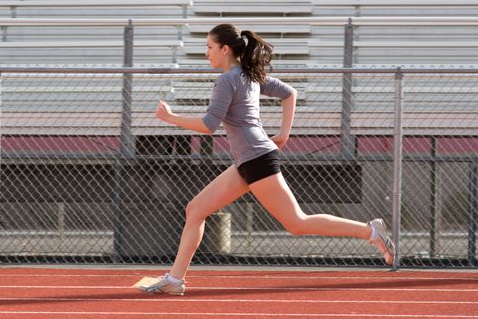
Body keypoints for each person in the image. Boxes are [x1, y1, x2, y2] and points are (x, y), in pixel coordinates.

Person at [139, 24, 395, 296]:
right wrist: (284, 134)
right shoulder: (248, 75)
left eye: (209, 47)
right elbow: (290, 93)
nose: (206, 54)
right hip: (247, 159)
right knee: (195, 210)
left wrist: (171, 118)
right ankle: (175, 280)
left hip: (256, 158)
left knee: (297, 223)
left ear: (225, 49)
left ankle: (371, 231)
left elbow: (208, 125)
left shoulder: (227, 80)